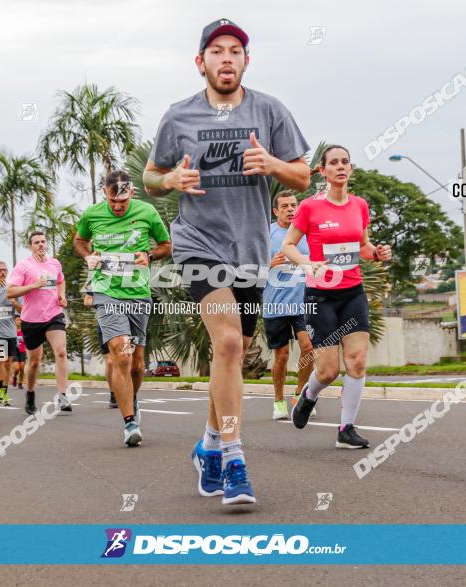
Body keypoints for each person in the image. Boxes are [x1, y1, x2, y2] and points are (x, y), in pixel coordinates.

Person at [143, 18, 310, 504]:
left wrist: (274, 165)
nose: (226, 58)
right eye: (216, 51)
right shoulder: (179, 117)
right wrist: (169, 181)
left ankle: (210, 445)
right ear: (201, 62)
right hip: (198, 242)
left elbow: (301, 176)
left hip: (250, 250)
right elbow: (152, 177)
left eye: (235, 50)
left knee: (228, 355)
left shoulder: (270, 110)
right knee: (232, 343)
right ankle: (234, 458)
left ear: (246, 61)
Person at [282, 145, 392, 448]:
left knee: (357, 362)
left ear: (350, 169)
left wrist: (377, 253)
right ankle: (308, 395)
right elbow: (288, 246)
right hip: (320, 296)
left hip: (353, 293)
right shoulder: (310, 208)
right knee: (328, 371)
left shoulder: (359, 205)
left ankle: (346, 429)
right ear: (323, 171)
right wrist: (305, 262)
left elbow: (364, 247)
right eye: (334, 162)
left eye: (345, 162)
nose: (340, 166)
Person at [75, 170, 172, 447]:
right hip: (106, 292)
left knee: (138, 363)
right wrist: (88, 256)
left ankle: (132, 396)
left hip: (138, 293)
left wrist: (149, 255)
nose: (118, 206)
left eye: (123, 201)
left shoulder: (147, 212)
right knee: (122, 354)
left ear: (131, 193)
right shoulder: (92, 215)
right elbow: (79, 241)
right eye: (113, 201)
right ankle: (129, 422)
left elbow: (166, 245)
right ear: (105, 193)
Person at [263, 190, 315, 420]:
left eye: (293, 205)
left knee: (308, 348)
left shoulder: (306, 233)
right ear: (275, 211)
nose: (290, 209)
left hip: (303, 303)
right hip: (274, 304)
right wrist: (268, 265)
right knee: (281, 355)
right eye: (284, 206)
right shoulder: (267, 234)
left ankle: (299, 396)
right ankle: (278, 401)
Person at [7, 232, 70, 416]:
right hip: (31, 320)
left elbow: (61, 280)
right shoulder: (23, 266)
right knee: (34, 362)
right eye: (37, 242)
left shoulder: (54, 263)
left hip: (53, 316)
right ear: (30, 246)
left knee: (61, 352)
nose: (41, 245)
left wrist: (62, 295)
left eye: (43, 241)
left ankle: (62, 394)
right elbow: (10, 292)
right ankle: (30, 393)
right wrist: (34, 285)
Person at [0, 261, 22, 407]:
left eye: (4, 270)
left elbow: (22, 310)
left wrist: (14, 302)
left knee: (8, 363)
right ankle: (0, 391)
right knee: (0, 360)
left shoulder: (12, 288)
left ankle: (4, 392)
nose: (2, 273)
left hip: (11, 332)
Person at [12, 316, 26, 389]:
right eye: (17, 320)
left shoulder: (24, 330)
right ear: (14, 321)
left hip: (22, 350)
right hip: (14, 351)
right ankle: (14, 377)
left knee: (22, 368)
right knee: (17, 368)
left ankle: (20, 383)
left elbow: (27, 339)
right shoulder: (11, 330)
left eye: (20, 320)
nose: (18, 321)